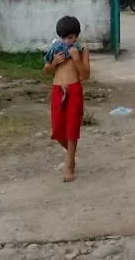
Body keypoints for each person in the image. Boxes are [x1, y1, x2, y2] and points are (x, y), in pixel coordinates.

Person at [43, 15, 91, 182]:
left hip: (74, 90)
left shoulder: (81, 49)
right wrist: (54, 62)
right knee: (57, 130)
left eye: (71, 37)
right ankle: (72, 154)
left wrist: (77, 59)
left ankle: (69, 164)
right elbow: (46, 70)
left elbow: (85, 75)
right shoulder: (56, 49)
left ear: (76, 35)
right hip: (58, 90)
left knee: (72, 129)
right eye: (64, 38)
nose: (67, 41)